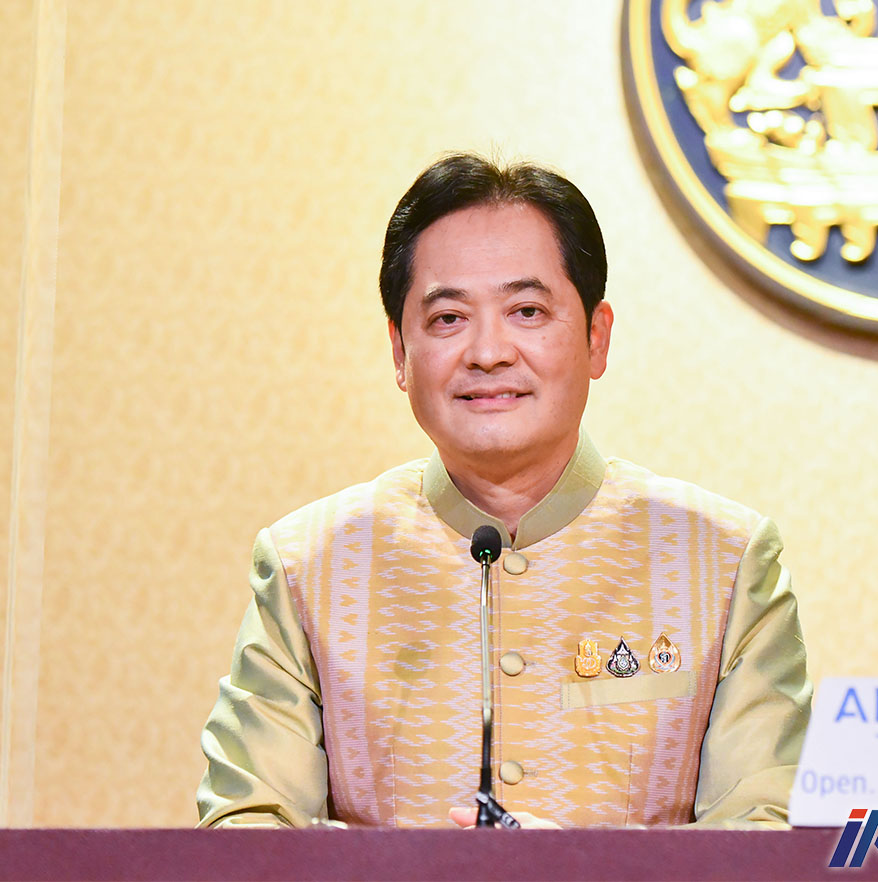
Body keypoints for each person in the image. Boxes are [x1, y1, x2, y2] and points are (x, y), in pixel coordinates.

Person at [197, 153, 812, 830]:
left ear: (596, 338)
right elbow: (245, 832)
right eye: (448, 319)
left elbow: (765, 837)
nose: (488, 352)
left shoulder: (722, 561)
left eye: (527, 311)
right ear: (400, 353)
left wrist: (587, 874)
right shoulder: (308, 566)